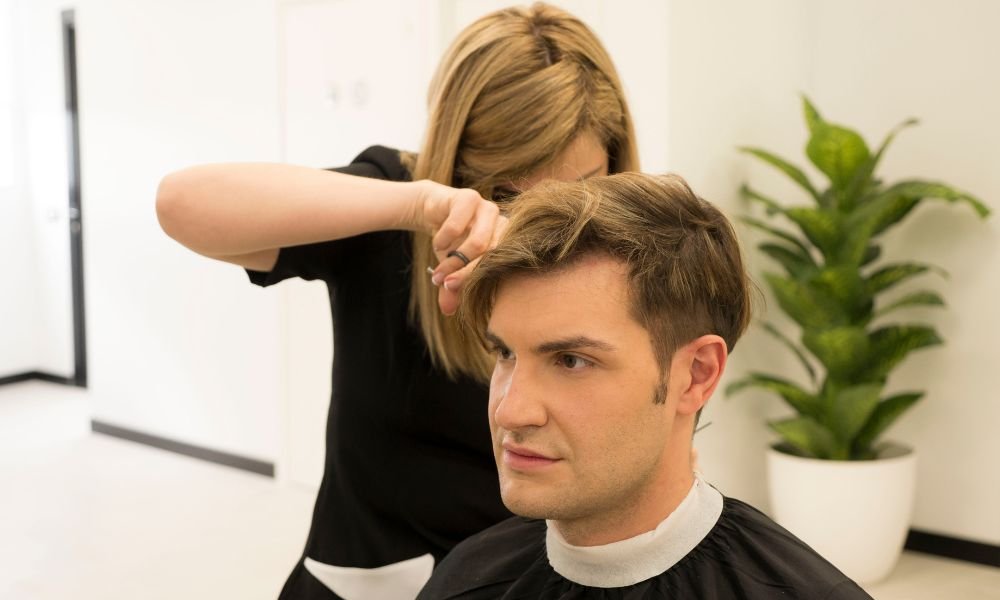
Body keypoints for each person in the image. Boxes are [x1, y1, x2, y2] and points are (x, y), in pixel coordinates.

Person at [155, 4, 638, 599]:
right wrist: (415, 206)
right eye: (510, 193)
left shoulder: (616, 249)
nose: (541, 229)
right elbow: (181, 203)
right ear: (461, 163)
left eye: (578, 190)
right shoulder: (396, 207)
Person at [417, 173, 873, 599]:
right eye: (505, 353)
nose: (510, 411)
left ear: (696, 374)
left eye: (571, 361)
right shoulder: (463, 581)